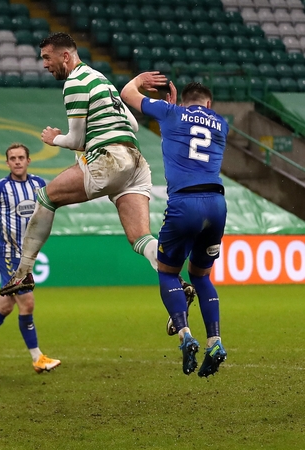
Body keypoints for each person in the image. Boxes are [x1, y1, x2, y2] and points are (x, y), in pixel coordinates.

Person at [0, 32, 159, 297]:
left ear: (65, 56)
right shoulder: (100, 78)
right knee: (140, 238)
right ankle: (175, 280)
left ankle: (23, 273)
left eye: (47, 58)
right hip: (136, 162)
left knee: (46, 198)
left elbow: (76, 139)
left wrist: (54, 139)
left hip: (109, 160)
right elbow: (132, 125)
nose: (44, 65)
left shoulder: (74, 82)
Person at [120, 75, 228, 377]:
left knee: (168, 271)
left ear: (183, 101)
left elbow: (127, 94)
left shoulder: (171, 112)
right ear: (208, 104)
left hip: (185, 203)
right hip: (217, 204)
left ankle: (184, 334)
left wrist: (142, 80)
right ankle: (215, 341)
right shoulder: (221, 123)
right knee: (202, 276)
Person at [0, 143, 61, 374]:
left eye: (21, 157)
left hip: (28, 256)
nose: (17, 161)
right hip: (8, 255)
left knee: (5, 307)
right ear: (7, 162)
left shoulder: (39, 185)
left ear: (28, 160)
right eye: (12, 158)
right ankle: (37, 358)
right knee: (27, 302)